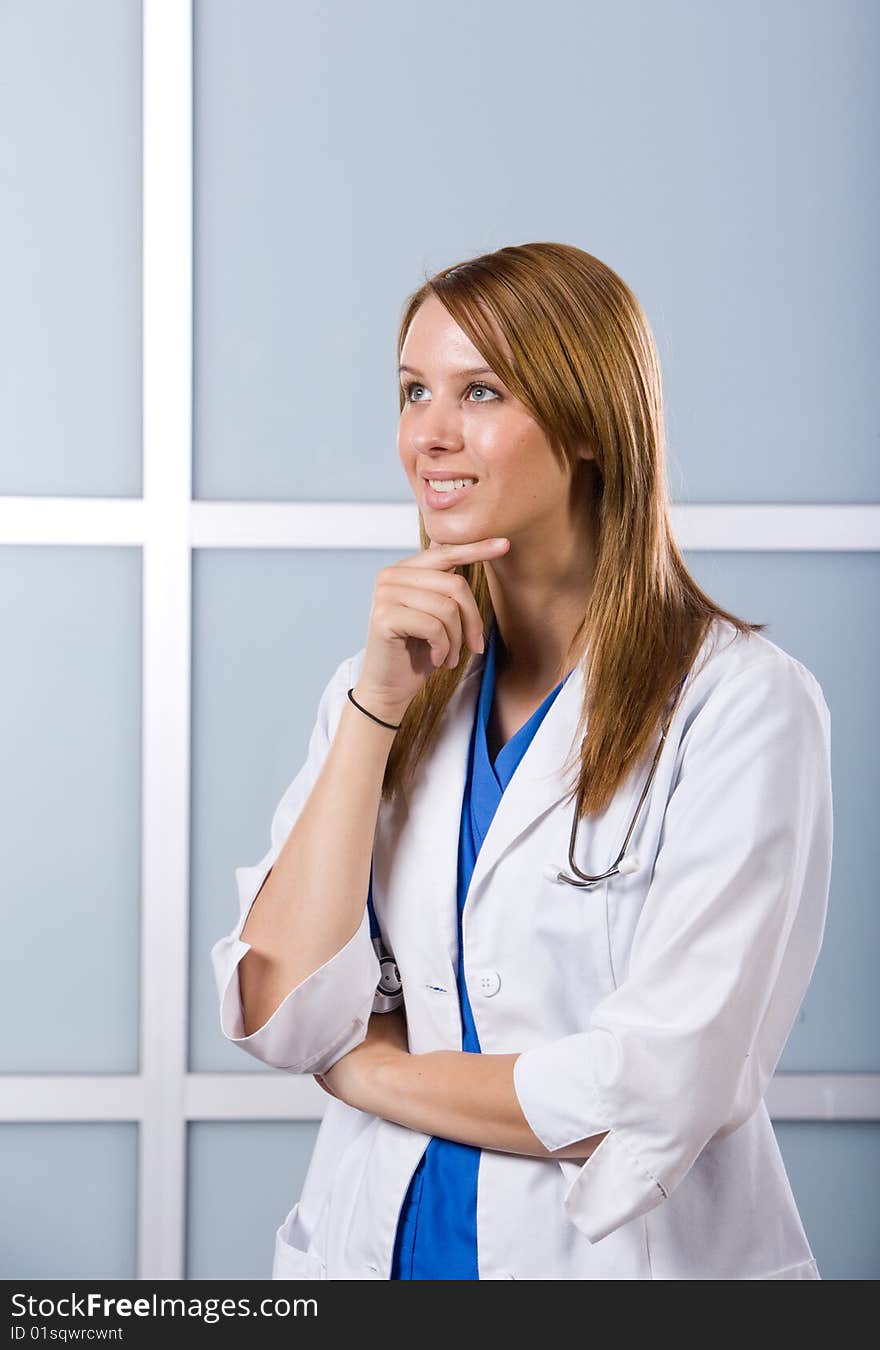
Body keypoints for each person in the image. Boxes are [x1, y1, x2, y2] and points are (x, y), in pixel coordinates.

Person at [210, 242, 832, 1280]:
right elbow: (281, 1009)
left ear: (590, 423)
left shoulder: (742, 706)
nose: (430, 436)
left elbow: (656, 1090)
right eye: (414, 391)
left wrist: (371, 1071)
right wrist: (374, 710)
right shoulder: (380, 689)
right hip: (379, 1255)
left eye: (481, 390)